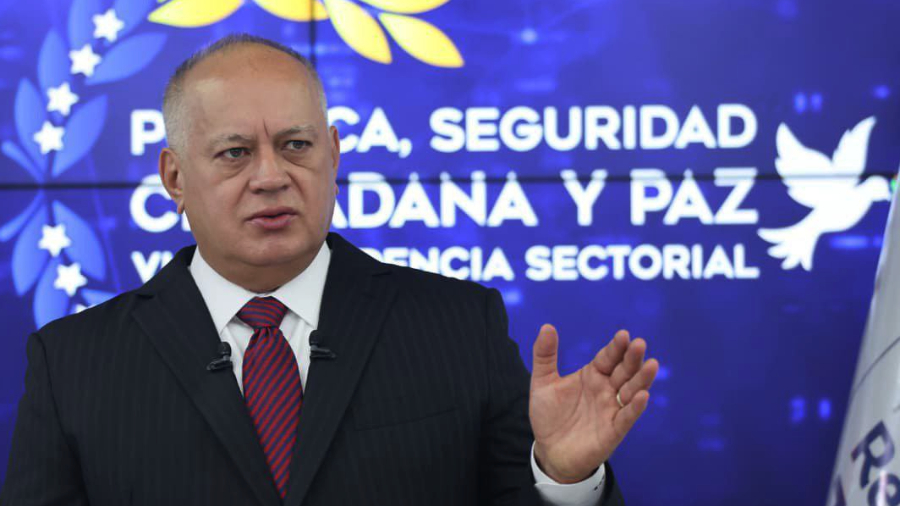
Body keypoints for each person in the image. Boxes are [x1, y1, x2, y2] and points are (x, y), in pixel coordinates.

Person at [0, 34, 658, 506]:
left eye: (296, 145)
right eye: (235, 153)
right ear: (174, 176)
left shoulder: (459, 326)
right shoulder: (74, 363)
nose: (271, 176)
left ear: (334, 154)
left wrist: (564, 480)